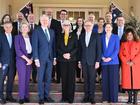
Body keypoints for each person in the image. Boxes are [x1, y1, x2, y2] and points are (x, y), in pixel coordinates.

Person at [32, 14, 56, 104]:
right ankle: (41, 97)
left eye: (47, 20)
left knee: (48, 78)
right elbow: (35, 46)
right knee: (41, 78)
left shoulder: (52, 31)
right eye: (43, 20)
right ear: (40, 21)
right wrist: (36, 59)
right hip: (40, 59)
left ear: (49, 21)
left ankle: (46, 96)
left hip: (50, 58)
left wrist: (54, 57)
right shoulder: (36, 31)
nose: (45, 21)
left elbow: (53, 46)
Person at [79, 20, 101, 104]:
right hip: (84, 61)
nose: (88, 27)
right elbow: (80, 50)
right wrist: (79, 61)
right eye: (86, 25)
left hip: (93, 62)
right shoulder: (82, 36)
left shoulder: (96, 36)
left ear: (92, 27)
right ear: (84, 27)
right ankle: (86, 97)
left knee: (92, 80)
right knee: (86, 80)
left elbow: (99, 50)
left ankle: (92, 97)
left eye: (89, 25)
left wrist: (98, 61)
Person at [57, 20, 78, 103]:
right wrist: (63, 54)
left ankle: (70, 98)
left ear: (70, 26)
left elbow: (76, 47)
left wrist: (70, 54)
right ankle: (64, 97)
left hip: (72, 60)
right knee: (64, 79)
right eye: (65, 25)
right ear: (63, 26)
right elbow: (57, 47)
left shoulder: (74, 35)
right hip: (62, 60)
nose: (66, 26)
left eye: (68, 25)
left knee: (71, 80)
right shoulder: (59, 35)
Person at [119, 28, 140, 104]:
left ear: (134, 35)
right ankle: (129, 99)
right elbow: (120, 54)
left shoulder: (138, 42)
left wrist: (133, 61)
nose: (129, 36)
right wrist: (126, 61)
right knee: (128, 82)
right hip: (126, 65)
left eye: (131, 34)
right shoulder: (123, 43)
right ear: (126, 36)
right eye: (128, 35)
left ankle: (135, 100)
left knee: (136, 83)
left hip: (136, 65)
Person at [101, 23, 120, 103]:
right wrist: (102, 57)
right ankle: (105, 98)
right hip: (104, 62)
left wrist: (110, 58)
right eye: (106, 27)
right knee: (105, 81)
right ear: (104, 29)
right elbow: (99, 49)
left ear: (112, 28)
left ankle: (113, 99)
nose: (108, 28)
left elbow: (117, 49)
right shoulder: (101, 37)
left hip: (113, 62)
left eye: (109, 27)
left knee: (113, 81)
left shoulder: (116, 37)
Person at [14, 22, 33, 104]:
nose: (25, 28)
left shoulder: (31, 37)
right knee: (22, 79)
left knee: (27, 79)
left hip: (29, 59)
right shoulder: (17, 37)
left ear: (28, 29)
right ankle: (21, 97)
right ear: (20, 29)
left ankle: (26, 96)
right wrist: (27, 59)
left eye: (26, 27)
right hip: (21, 59)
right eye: (23, 27)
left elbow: (34, 49)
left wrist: (31, 59)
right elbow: (18, 51)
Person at [0, 21, 16, 104]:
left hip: (12, 63)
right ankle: (1, 97)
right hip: (3, 62)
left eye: (10, 27)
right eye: (6, 27)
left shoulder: (14, 37)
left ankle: (9, 96)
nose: (8, 28)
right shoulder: (1, 36)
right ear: (4, 27)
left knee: (10, 80)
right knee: (1, 80)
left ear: (12, 28)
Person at [45, 8, 62, 83]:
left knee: (55, 62)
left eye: (50, 12)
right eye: (47, 12)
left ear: (52, 13)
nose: (49, 13)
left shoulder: (57, 22)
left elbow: (58, 35)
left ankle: (56, 77)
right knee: (47, 61)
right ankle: (49, 77)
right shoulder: (42, 21)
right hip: (45, 46)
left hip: (54, 45)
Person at [73, 17, 85, 83]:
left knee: (83, 62)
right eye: (78, 21)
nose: (79, 22)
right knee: (77, 62)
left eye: (81, 21)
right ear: (77, 22)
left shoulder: (85, 30)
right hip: (76, 49)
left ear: (83, 22)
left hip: (83, 48)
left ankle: (83, 77)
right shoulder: (74, 31)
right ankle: (77, 76)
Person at [27, 13, 38, 83]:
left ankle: (34, 79)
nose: (31, 18)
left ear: (34, 18)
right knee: (27, 65)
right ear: (28, 18)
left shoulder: (38, 27)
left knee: (35, 66)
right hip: (27, 49)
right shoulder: (25, 26)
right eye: (30, 17)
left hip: (35, 48)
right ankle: (27, 78)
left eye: (32, 17)